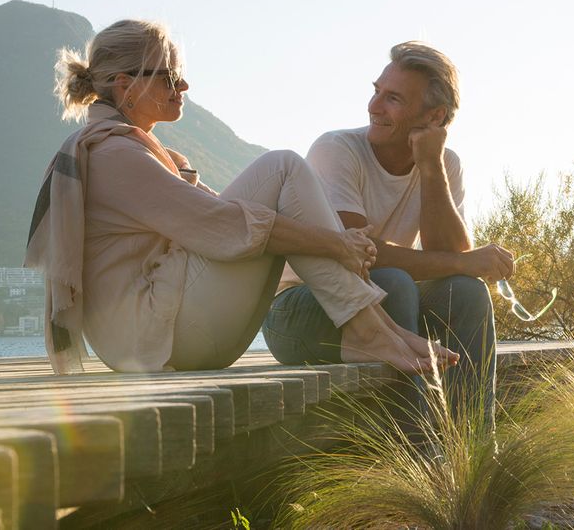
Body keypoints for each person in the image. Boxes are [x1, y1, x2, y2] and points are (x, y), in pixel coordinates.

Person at [25, 20, 456, 375]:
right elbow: (224, 225)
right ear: (126, 86)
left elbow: (233, 214)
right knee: (281, 166)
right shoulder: (114, 154)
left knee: (279, 181)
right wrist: (336, 242)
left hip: (163, 332)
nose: (184, 85)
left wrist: (332, 241)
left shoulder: (140, 151)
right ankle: (369, 331)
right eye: (171, 76)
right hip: (155, 339)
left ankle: (375, 328)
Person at [262, 42, 514, 422]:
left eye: (392, 98)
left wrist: (430, 166)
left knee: (466, 292)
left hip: (389, 312)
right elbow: (357, 257)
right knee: (391, 282)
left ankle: (476, 450)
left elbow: (452, 261)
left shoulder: (446, 164)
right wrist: (466, 262)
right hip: (302, 311)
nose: (374, 106)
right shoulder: (337, 149)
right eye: (376, 90)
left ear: (434, 117)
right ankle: (416, 453)